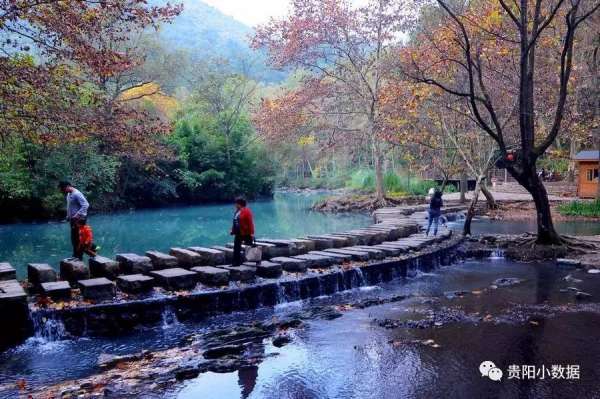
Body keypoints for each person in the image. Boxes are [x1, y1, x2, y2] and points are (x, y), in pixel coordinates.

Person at [58, 181, 90, 258]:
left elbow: (86, 205)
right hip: (73, 220)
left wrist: (77, 215)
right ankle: (76, 255)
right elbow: (70, 207)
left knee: (78, 239)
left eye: (63, 189)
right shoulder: (69, 194)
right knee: (74, 239)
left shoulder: (77, 194)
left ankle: (79, 256)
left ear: (68, 186)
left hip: (80, 219)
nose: (62, 191)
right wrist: (68, 216)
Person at [231, 197, 255, 266]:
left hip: (246, 232)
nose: (235, 205)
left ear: (239, 204)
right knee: (236, 247)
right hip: (238, 232)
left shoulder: (247, 211)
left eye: (236, 203)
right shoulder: (237, 211)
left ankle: (254, 261)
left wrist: (251, 233)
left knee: (250, 246)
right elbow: (235, 222)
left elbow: (250, 222)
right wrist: (232, 230)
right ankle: (236, 263)